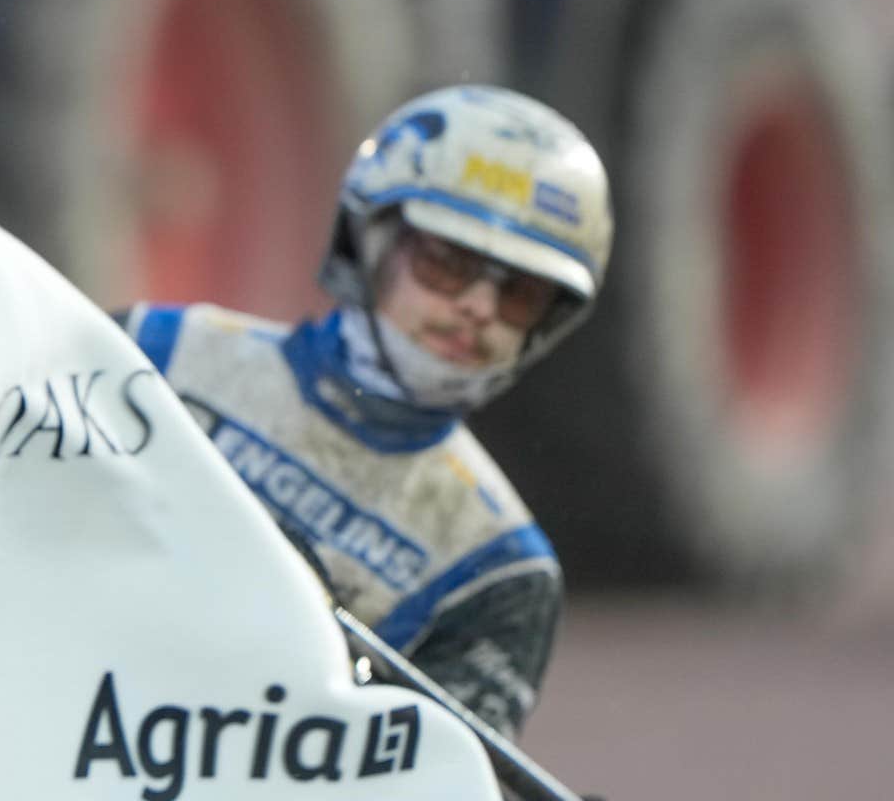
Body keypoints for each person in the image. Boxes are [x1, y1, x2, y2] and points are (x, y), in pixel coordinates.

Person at [123, 84, 612, 737]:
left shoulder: (500, 568)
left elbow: (439, 774)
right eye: (449, 263)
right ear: (372, 239)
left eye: (519, 295)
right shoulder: (159, 349)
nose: (478, 308)